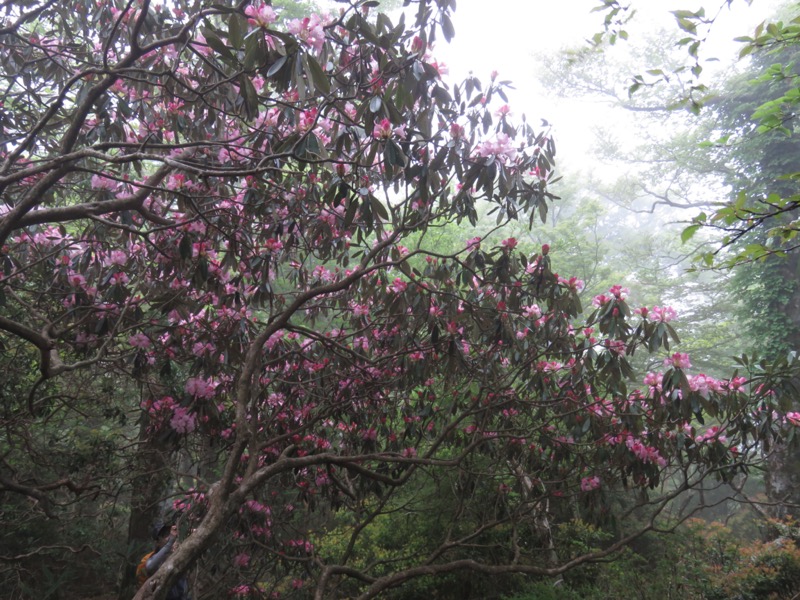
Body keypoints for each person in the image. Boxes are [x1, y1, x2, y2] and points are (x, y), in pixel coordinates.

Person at [136, 522, 191, 600]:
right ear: (157, 542)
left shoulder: (179, 551)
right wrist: (169, 543)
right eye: (164, 535)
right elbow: (150, 566)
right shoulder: (154, 558)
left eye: (169, 533)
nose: (168, 536)